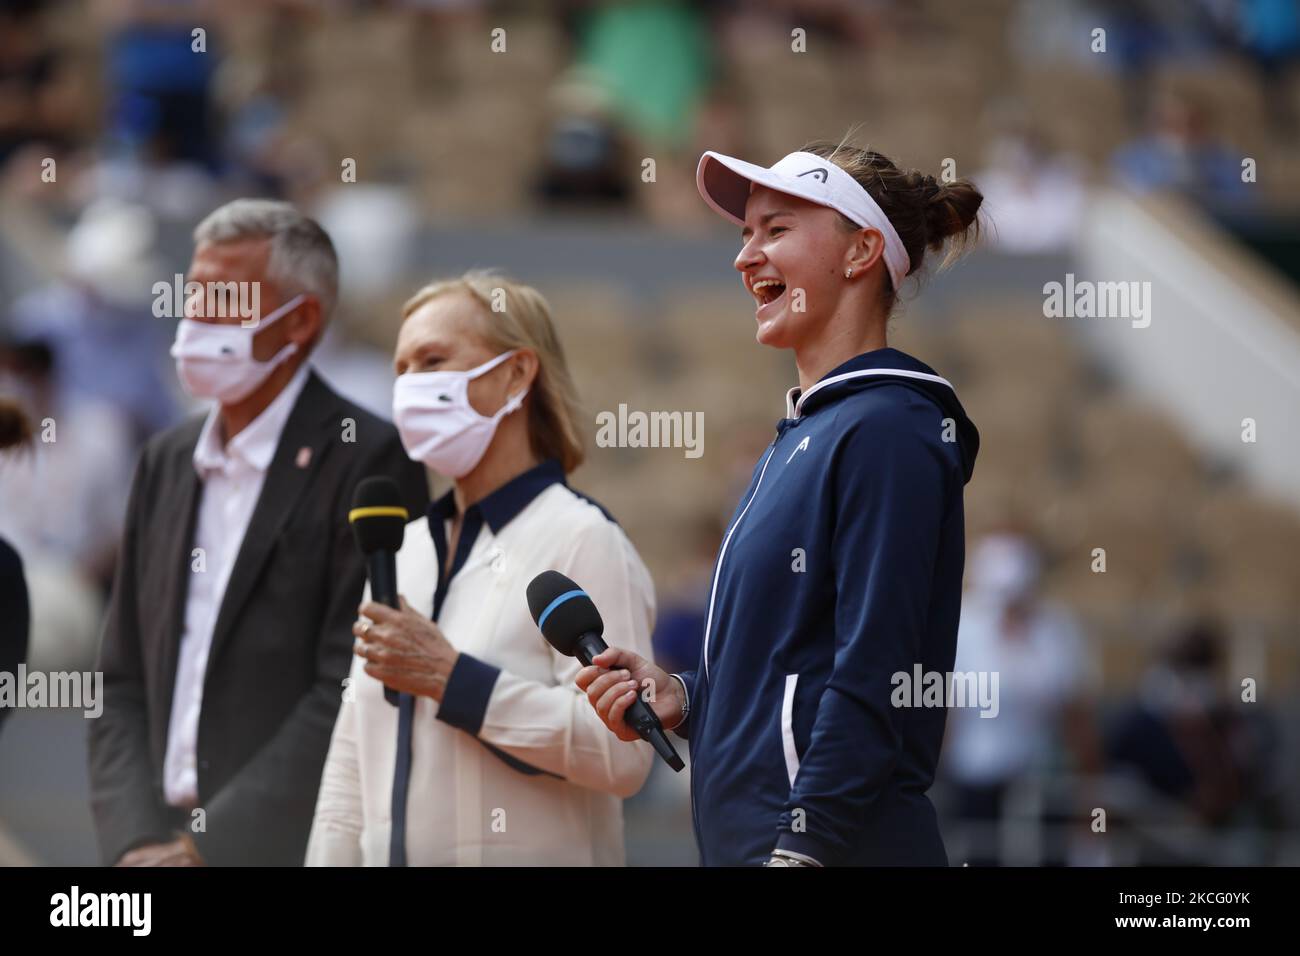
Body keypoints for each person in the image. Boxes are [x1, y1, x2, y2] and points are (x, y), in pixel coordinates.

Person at [579, 139, 983, 866]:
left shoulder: (888, 429)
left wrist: (805, 846)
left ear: (861, 253)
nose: (745, 256)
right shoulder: (802, 438)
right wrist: (688, 697)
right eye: (745, 234)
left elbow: (876, 670)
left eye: (777, 230)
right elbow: (795, 666)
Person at [88, 199, 427, 867]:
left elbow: (351, 683)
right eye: (194, 296)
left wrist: (205, 848)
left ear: (299, 320)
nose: (194, 320)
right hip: (146, 851)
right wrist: (134, 844)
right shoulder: (164, 459)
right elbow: (120, 675)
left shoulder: (368, 461)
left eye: (223, 298)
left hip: (285, 848)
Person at [306, 272, 656, 866]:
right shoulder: (402, 549)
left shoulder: (582, 537)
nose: (411, 385)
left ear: (518, 374)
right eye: (402, 369)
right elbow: (350, 770)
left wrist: (453, 680)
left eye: (434, 359)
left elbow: (623, 753)